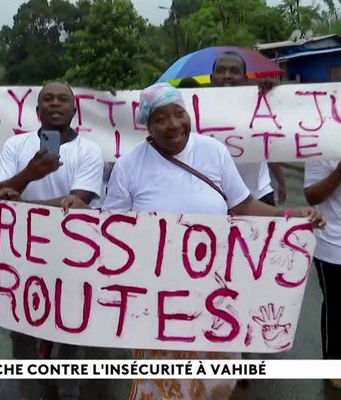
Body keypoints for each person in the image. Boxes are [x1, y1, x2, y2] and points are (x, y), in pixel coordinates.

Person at [63, 83, 324, 400]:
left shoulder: (213, 152)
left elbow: (241, 206)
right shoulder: (130, 166)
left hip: (215, 295)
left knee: (213, 384)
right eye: (161, 118)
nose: (173, 125)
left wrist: (291, 215)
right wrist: (81, 214)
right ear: (148, 124)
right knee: (163, 385)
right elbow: (112, 230)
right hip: (157, 302)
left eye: (178, 113)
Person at [0, 81, 104, 399]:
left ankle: (68, 392)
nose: (56, 104)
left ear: (74, 109)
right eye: (48, 99)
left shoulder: (89, 151)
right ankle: (29, 392)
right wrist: (30, 173)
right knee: (22, 334)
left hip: (72, 260)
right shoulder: (16, 146)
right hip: (21, 259)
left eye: (63, 99)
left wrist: (21, 204)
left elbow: (76, 203)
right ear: (38, 110)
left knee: (70, 334)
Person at [211, 51, 287, 206]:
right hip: (218, 198)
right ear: (211, 78)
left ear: (245, 79)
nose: (227, 75)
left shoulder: (259, 104)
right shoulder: (195, 109)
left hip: (259, 194)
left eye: (234, 71)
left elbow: (268, 145)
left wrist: (273, 95)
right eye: (220, 70)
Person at [304, 160, 341, 389]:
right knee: (336, 307)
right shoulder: (322, 144)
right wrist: (339, 172)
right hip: (333, 244)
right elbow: (312, 196)